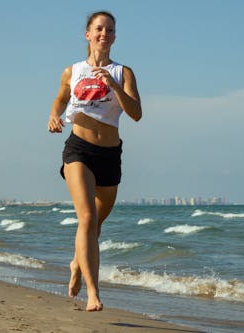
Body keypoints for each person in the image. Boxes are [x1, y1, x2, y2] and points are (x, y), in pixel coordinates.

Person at [47, 11, 142, 311]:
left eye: (110, 30)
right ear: (87, 34)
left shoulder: (123, 73)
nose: (104, 34)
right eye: (99, 29)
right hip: (79, 150)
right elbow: (61, 98)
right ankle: (93, 293)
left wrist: (113, 86)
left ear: (115, 36)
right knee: (86, 218)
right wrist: (53, 115)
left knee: (95, 226)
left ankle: (77, 263)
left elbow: (137, 113)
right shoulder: (71, 71)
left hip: (110, 155)